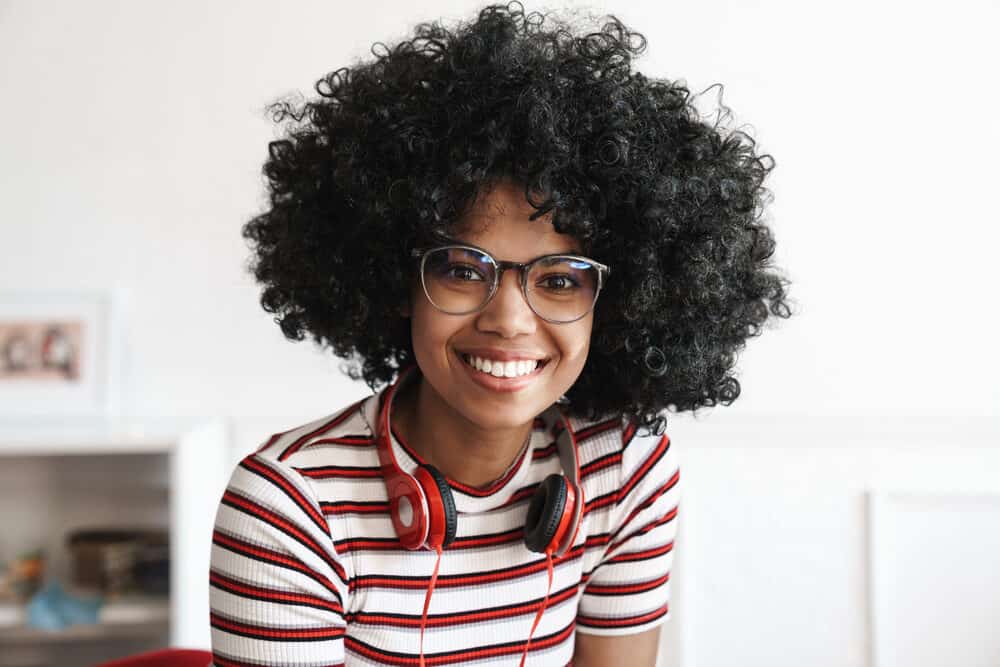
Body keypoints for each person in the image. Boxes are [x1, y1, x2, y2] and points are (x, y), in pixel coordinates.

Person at [209, 3, 792, 666]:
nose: (510, 319)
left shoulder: (624, 473)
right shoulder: (289, 508)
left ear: (622, 299)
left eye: (562, 279)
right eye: (462, 268)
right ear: (398, 282)